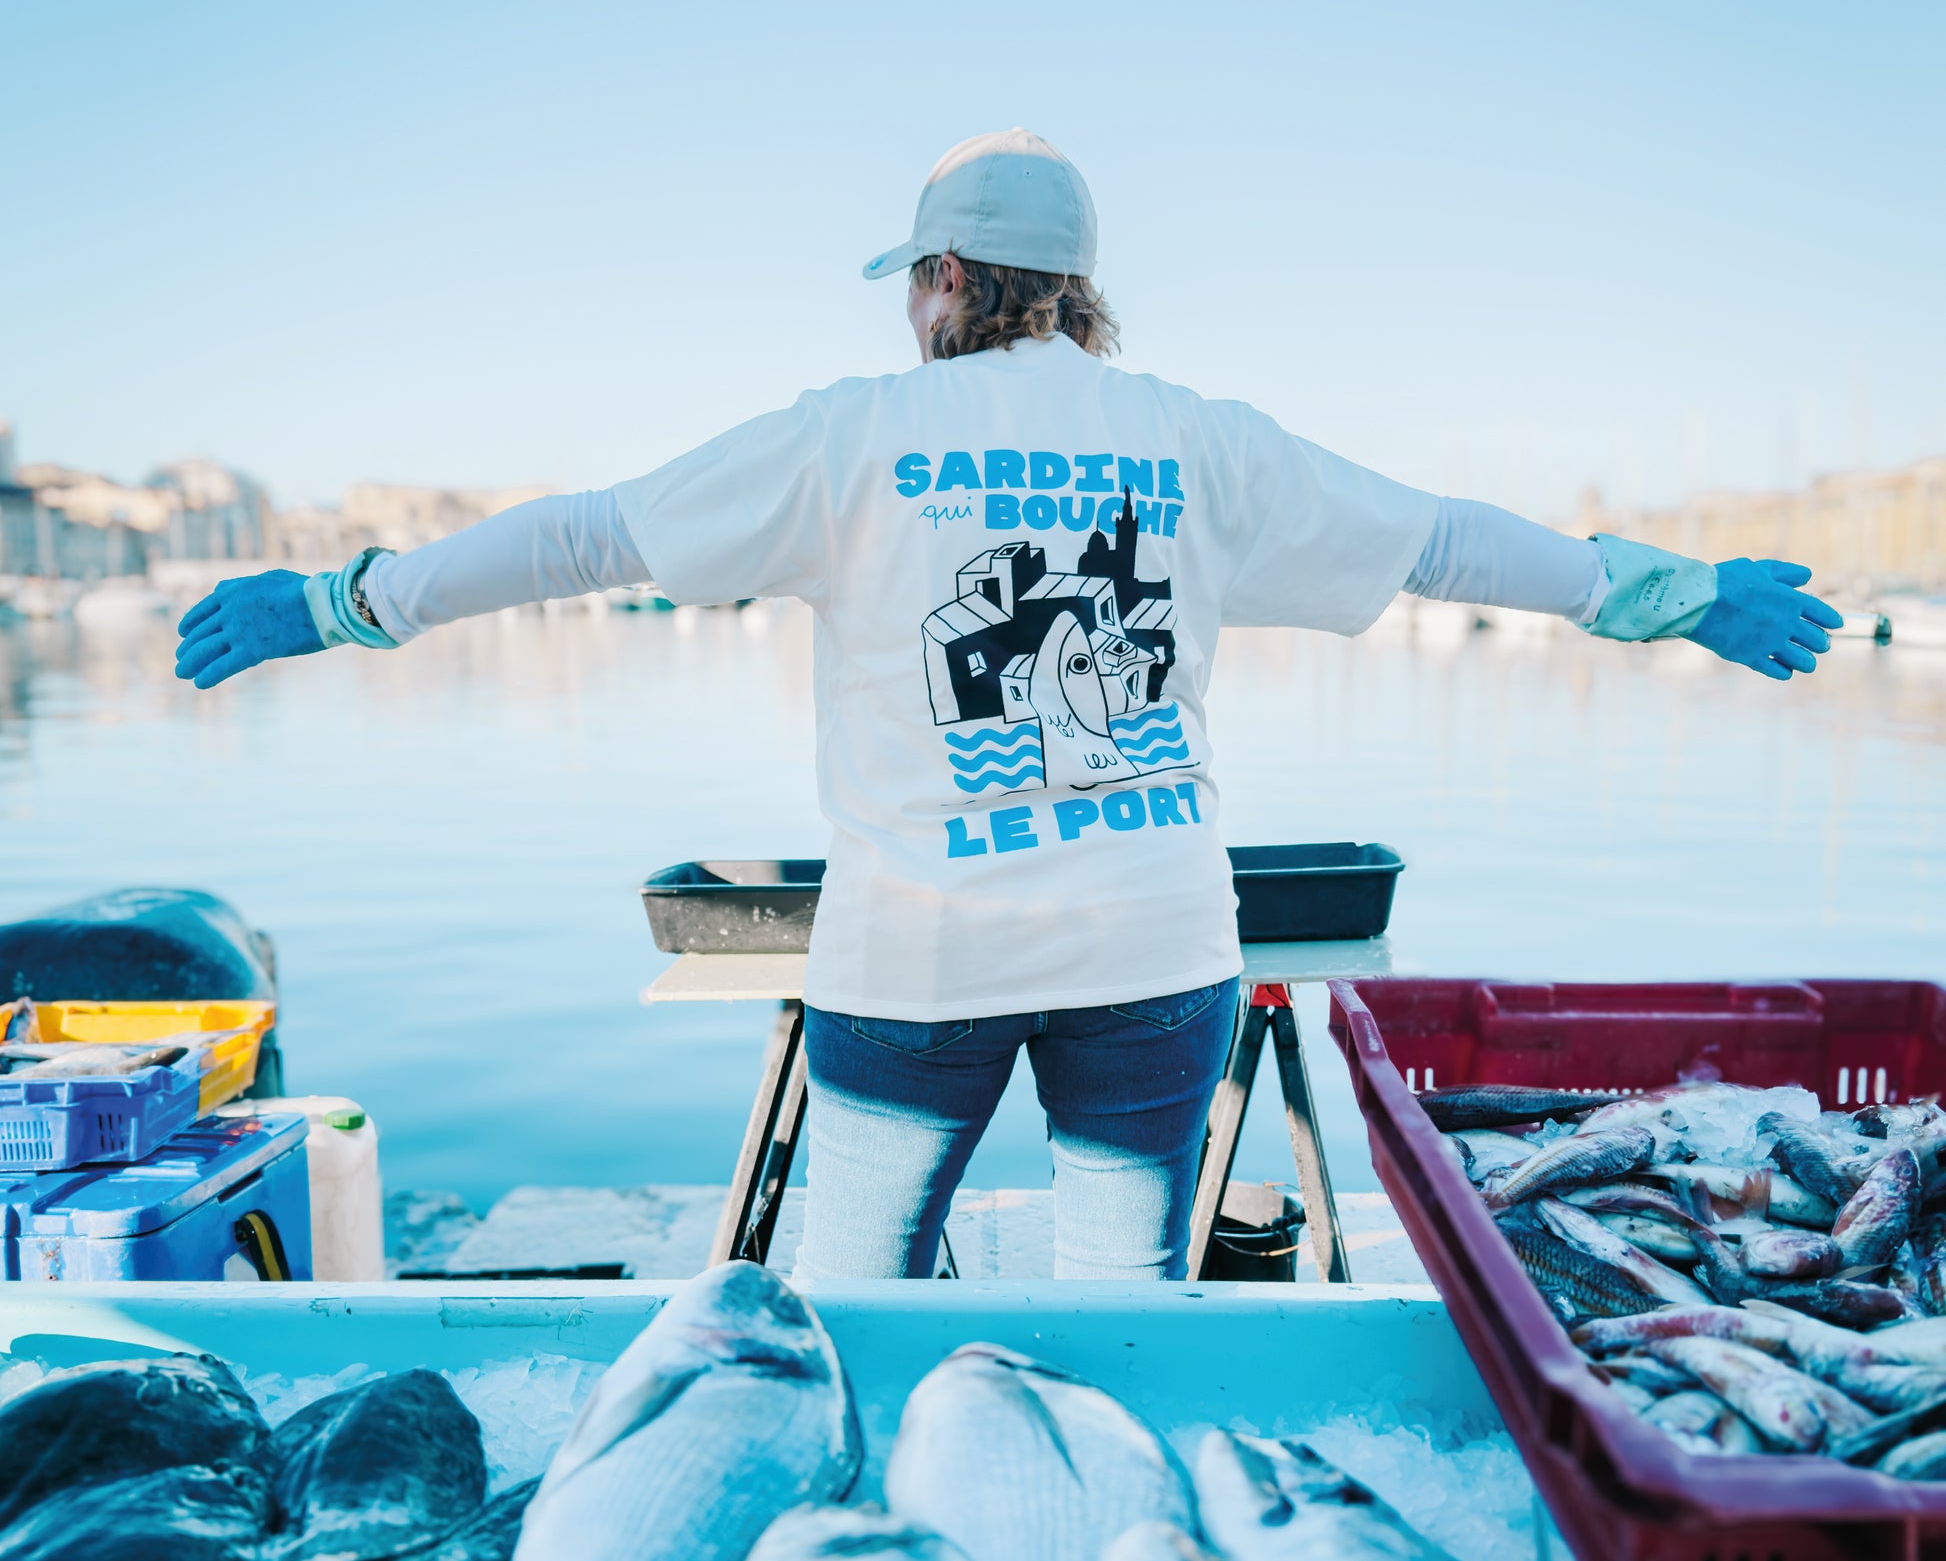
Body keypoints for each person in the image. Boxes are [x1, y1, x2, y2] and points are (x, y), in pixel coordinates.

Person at [175, 129, 1843, 1281]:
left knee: (861, 1309)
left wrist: (350, 599)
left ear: (946, 276)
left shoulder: (850, 431)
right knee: (1118, 1305)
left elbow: (588, 534)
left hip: (915, 961)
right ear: (1080, 289)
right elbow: (1438, 543)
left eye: (912, 276)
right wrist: (1666, 594)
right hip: (1151, 955)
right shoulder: (1199, 437)